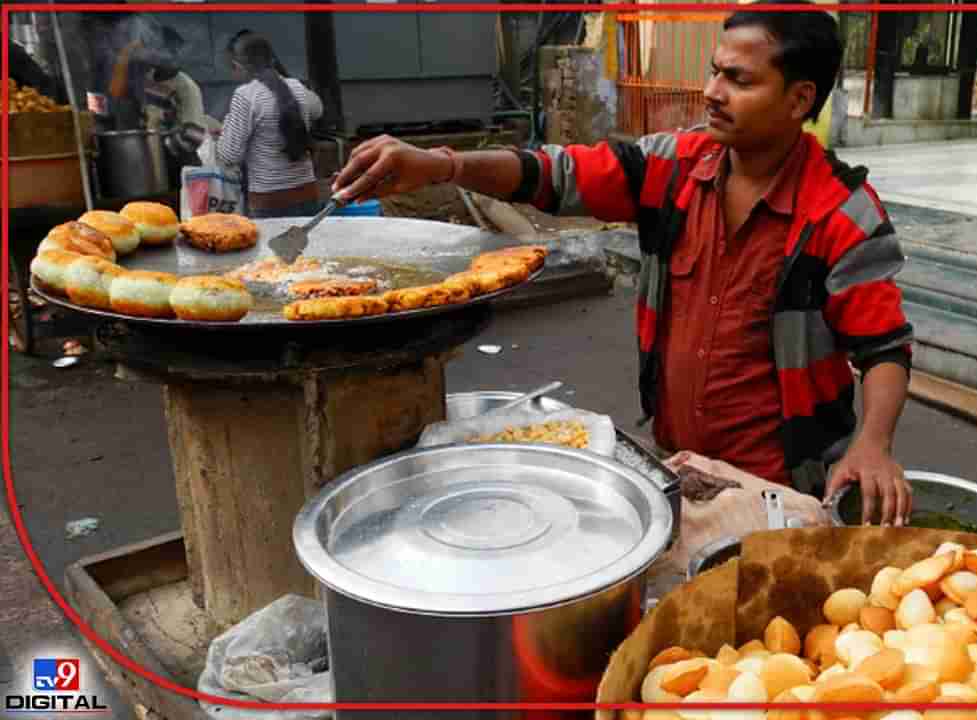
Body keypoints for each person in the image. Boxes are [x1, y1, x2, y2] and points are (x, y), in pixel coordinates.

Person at [332, 0, 916, 526]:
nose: (712, 90)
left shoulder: (842, 213)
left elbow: (883, 347)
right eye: (715, 70)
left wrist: (874, 443)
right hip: (681, 466)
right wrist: (443, 166)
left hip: (780, 489)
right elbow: (554, 174)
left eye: (738, 79)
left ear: (799, 99)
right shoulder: (675, 166)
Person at [216, 31, 324, 218]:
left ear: (238, 66)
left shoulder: (246, 94)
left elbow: (229, 155)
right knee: (306, 247)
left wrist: (226, 125)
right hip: (307, 193)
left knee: (271, 248)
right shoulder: (297, 86)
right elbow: (317, 111)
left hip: (269, 200)